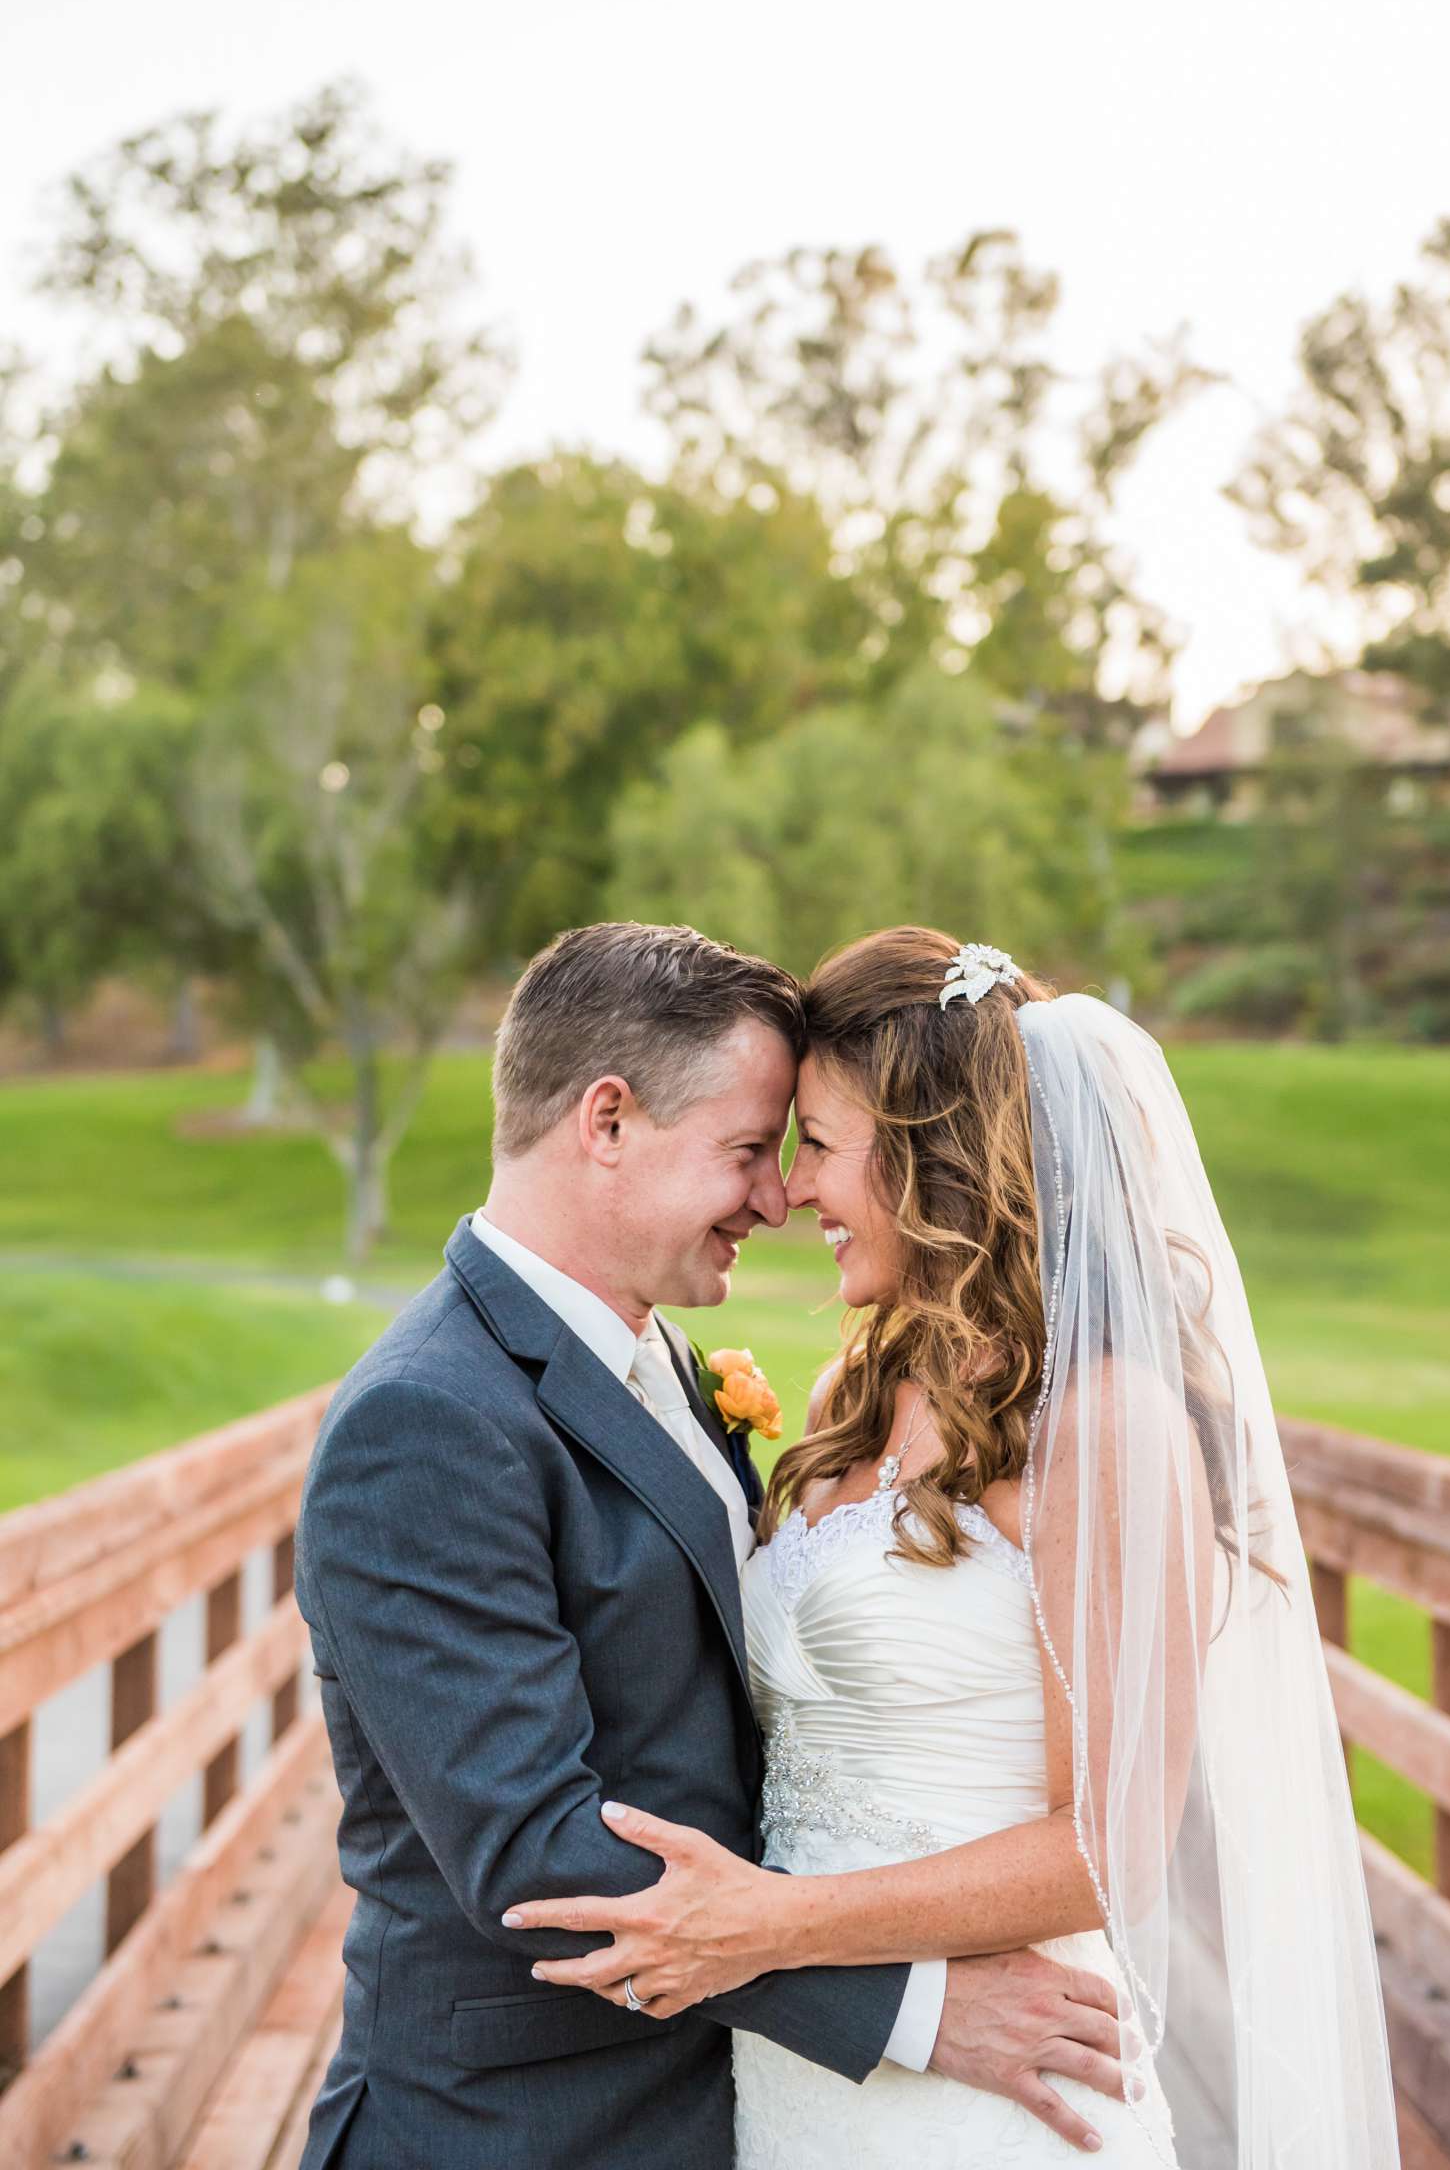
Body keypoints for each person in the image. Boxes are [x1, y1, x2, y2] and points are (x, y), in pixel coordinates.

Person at [509, 926, 1402, 2169]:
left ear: (932, 1154)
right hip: (801, 2075)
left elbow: (1107, 1843)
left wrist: (772, 1926)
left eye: (818, 1145)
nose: (792, 1192)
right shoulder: (850, 1398)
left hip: (997, 2085)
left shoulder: (1103, 1423)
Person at [295, 922, 1125, 2170]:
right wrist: (914, 2009)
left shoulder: (660, 1359)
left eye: (795, 1152)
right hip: (522, 2126)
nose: (777, 1197)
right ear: (608, 1121)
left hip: (726, 2090)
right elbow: (533, 1855)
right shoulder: (426, 1422)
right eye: (748, 1150)